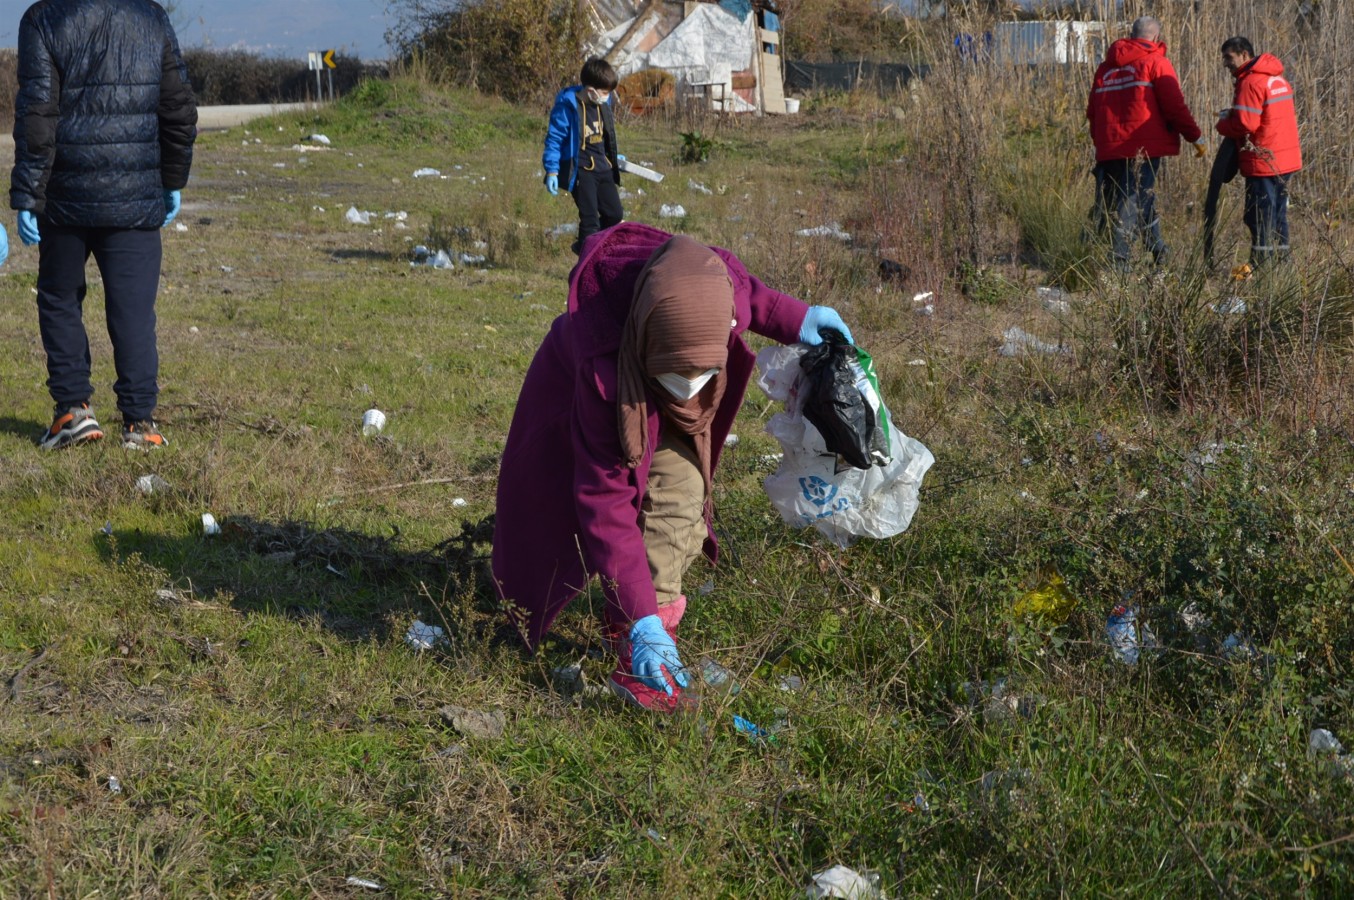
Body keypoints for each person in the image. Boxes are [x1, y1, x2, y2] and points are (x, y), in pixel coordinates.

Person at [491, 223, 854, 711]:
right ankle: (638, 639)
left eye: (705, 373)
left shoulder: (718, 293)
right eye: (676, 375)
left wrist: (802, 317)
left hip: (655, 380)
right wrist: (641, 617)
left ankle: (641, 644)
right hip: (602, 401)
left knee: (680, 496)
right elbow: (606, 502)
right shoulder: (599, 364)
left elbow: (752, 299)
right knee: (559, 531)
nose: (689, 387)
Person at [10, 0, 198, 451]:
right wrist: (172, 179)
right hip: (135, 196)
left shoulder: (42, 18)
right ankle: (139, 424)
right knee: (133, 311)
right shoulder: (151, 16)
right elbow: (179, 110)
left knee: (59, 297)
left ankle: (73, 411)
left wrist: (28, 196)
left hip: (64, 196)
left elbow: (38, 115)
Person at [1087, 16, 1204, 271]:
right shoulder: (1156, 62)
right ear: (1156, 38)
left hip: (1110, 148)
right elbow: (1174, 107)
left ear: (1131, 34)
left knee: (1141, 197)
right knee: (1131, 200)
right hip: (1144, 148)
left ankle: (1158, 249)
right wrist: (1195, 137)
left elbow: (1092, 111)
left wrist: (1101, 144)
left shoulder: (1105, 68)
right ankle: (1120, 262)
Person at [1216, 36, 1302, 267]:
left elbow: (1246, 124)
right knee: (1278, 214)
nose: (1225, 63)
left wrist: (1223, 124)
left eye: (1228, 57)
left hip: (1263, 161)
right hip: (1286, 160)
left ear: (1244, 54)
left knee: (1259, 217)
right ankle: (1282, 264)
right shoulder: (1276, 78)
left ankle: (1261, 266)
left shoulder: (1250, 82)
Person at [543, 57, 624, 254]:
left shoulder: (603, 103)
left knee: (614, 214)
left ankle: (589, 246)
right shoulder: (568, 107)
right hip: (582, 170)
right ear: (590, 91)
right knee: (589, 220)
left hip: (603, 166)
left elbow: (606, 133)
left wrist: (614, 156)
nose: (608, 96)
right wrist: (552, 170)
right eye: (604, 92)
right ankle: (587, 261)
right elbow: (554, 139)